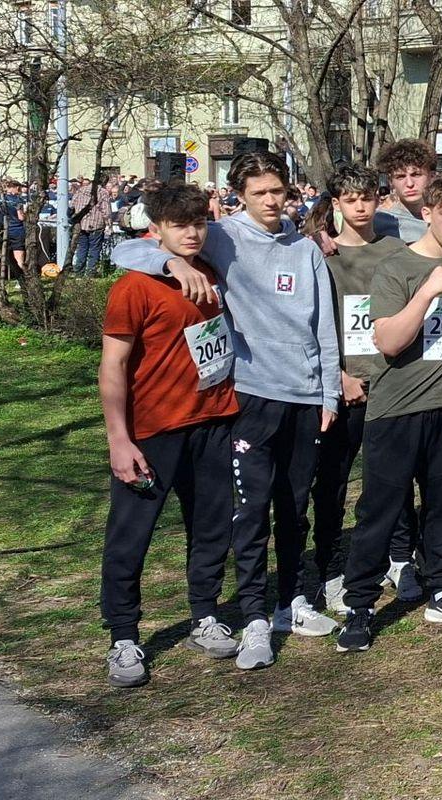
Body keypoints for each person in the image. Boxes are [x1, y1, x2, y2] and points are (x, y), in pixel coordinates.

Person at [109, 152, 340, 671]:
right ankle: (248, 617)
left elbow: (325, 326)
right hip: (249, 395)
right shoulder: (220, 236)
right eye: (259, 193)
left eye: (277, 191)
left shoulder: (304, 249)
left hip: (301, 396)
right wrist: (172, 262)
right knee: (249, 510)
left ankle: (287, 602)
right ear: (239, 194)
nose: (271, 201)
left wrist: (327, 391)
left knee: (288, 507)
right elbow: (130, 248)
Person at [336, 175, 442, 653]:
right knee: (378, 511)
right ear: (425, 212)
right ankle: (359, 607)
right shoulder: (395, 268)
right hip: (396, 409)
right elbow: (386, 341)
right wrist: (427, 294)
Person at [97, 183, 242, 687]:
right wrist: (119, 438)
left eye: (199, 223)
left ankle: (205, 613)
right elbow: (112, 366)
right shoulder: (134, 287)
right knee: (130, 535)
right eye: (180, 225)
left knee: (211, 526)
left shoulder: (213, 269)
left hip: (214, 421)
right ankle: (123, 636)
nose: (193, 233)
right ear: (155, 229)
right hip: (153, 430)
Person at [304, 166, 417, 620]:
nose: (361, 207)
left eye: (368, 198)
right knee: (331, 483)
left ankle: (400, 556)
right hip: (345, 384)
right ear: (336, 204)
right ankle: (330, 564)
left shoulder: (395, 249)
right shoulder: (320, 253)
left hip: (393, 384)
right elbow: (312, 323)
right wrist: (339, 377)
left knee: (394, 479)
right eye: (351, 199)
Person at [375, 138, 436, 243]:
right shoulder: (379, 222)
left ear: (432, 176)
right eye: (400, 176)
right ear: (390, 181)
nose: (409, 184)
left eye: (416, 175)